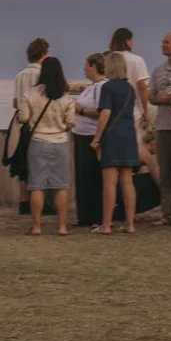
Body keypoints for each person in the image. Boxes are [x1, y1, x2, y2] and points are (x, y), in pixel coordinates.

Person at [18, 55, 75, 236]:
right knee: (61, 186)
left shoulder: (30, 94)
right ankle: (62, 227)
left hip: (38, 142)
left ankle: (36, 227)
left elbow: (23, 118)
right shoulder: (66, 97)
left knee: (37, 185)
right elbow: (71, 122)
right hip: (60, 143)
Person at [90, 49, 145, 235]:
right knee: (127, 181)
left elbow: (105, 113)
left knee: (109, 183)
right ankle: (130, 223)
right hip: (129, 135)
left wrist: (97, 138)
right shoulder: (129, 88)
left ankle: (106, 225)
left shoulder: (108, 87)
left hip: (112, 137)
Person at [147, 32, 171, 225]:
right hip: (162, 126)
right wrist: (162, 99)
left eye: (167, 42)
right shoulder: (158, 70)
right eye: (162, 42)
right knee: (165, 173)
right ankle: (167, 212)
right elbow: (150, 96)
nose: (163, 45)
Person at [71, 53, 107, 229]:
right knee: (82, 177)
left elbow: (102, 111)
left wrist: (81, 110)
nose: (84, 68)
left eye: (86, 65)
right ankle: (84, 214)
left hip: (91, 135)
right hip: (80, 134)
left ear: (93, 66)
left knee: (92, 176)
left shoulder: (102, 87)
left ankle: (95, 215)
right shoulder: (89, 88)